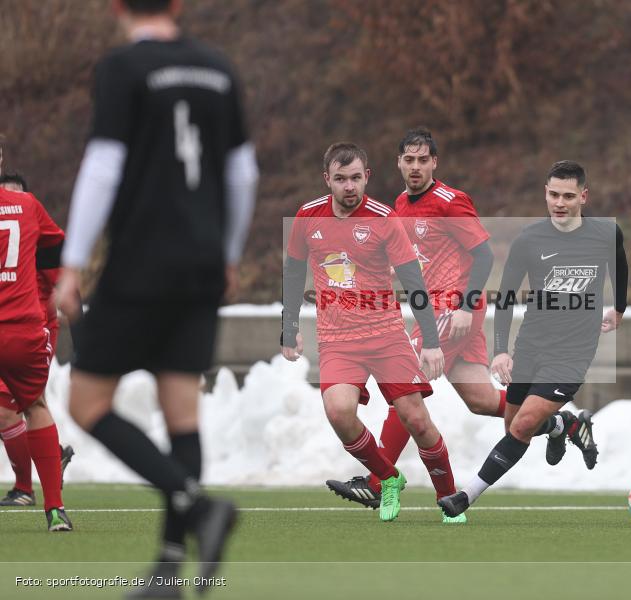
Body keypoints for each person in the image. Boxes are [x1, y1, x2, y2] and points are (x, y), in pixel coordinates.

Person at [55, 0, 258, 594]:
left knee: (87, 402)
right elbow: (242, 172)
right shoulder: (219, 69)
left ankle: (195, 510)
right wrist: (228, 252)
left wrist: (72, 263)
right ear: (178, 5)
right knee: (181, 410)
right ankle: (170, 566)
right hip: (200, 262)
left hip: (143, 259)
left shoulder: (122, 67)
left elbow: (103, 165)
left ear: (117, 6)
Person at [281, 142, 464, 523]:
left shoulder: (383, 219)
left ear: (368, 176)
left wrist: (430, 342)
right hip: (337, 340)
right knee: (338, 411)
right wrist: (290, 327)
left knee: (416, 420)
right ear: (327, 180)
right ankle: (388, 477)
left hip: (386, 335)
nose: (349, 186)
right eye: (340, 179)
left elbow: (414, 282)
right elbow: (294, 271)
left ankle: (449, 498)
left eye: (355, 178)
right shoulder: (307, 217)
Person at [326, 127, 507, 510]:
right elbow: (414, 258)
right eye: (409, 159)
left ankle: (378, 482)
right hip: (433, 308)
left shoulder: (450, 201)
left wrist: (464, 305)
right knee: (482, 400)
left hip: (453, 307)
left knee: (403, 387)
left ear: (434, 163)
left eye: (423, 159)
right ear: (398, 162)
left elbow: (485, 255)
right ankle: (559, 422)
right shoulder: (399, 206)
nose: (415, 166)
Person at [438, 160, 629, 518]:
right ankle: (565, 425)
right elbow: (506, 297)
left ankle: (465, 496)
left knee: (523, 426)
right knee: (514, 426)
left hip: (572, 352)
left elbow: (620, 264)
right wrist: (499, 352)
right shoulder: (529, 240)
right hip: (531, 345)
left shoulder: (605, 234)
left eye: (568, 196)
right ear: (545, 193)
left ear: (583, 197)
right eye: (554, 194)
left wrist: (619, 308)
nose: (560, 202)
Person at [0, 172, 75, 507]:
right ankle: (50, 503)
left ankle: (26, 487)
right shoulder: (28, 211)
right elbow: (64, 251)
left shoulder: (31, 221)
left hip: (31, 329)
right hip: (23, 332)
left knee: (13, 410)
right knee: (24, 409)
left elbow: (66, 287)